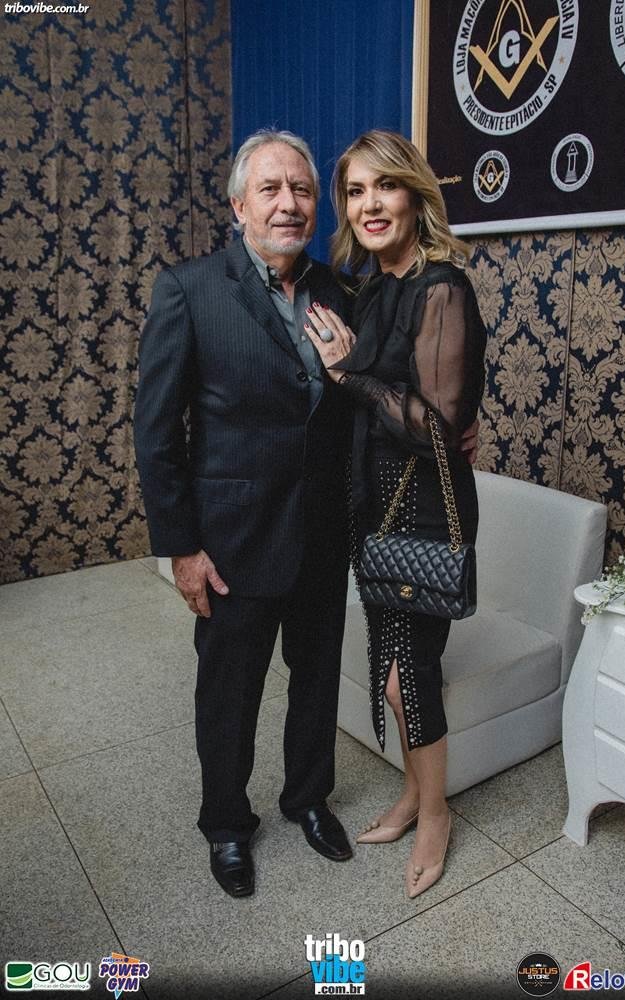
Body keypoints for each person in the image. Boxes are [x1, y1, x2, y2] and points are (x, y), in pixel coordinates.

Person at [134, 128, 479, 900]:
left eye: (300, 190)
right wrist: (181, 548)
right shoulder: (188, 290)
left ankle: (307, 800)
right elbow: (156, 434)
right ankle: (227, 824)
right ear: (238, 206)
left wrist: (455, 418)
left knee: (316, 681)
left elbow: (390, 383)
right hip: (232, 541)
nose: (288, 203)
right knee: (229, 692)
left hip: (328, 531)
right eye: (270, 189)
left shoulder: (341, 288)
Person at [304, 130, 487, 899]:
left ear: (414, 194)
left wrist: (346, 374)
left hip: (423, 510)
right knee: (392, 670)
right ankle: (414, 795)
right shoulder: (369, 289)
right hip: (373, 507)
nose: (370, 203)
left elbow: (437, 426)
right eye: (355, 191)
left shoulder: (440, 286)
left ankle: (434, 814)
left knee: (404, 678)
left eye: (384, 186)